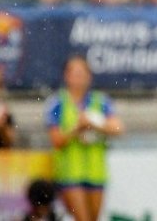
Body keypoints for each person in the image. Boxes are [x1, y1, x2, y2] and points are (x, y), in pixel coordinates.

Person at [47, 56, 122, 221]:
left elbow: (118, 128)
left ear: (89, 76)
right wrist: (77, 129)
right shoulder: (58, 103)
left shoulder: (100, 102)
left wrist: (94, 124)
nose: (79, 78)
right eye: (75, 73)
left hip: (95, 172)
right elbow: (56, 140)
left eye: (82, 73)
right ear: (66, 76)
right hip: (70, 173)